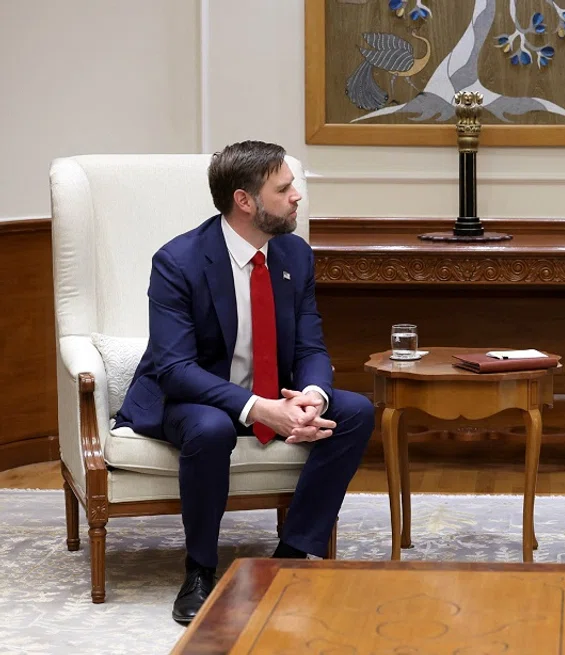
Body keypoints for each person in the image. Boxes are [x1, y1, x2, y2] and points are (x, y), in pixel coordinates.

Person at [115, 140, 374, 624]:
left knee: (355, 411)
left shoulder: (294, 254)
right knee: (212, 429)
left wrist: (313, 397)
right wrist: (259, 408)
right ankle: (199, 570)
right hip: (191, 396)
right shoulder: (179, 262)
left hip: (272, 390)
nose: (297, 196)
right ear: (245, 201)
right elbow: (175, 369)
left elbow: (310, 347)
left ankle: (291, 556)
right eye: (284, 188)